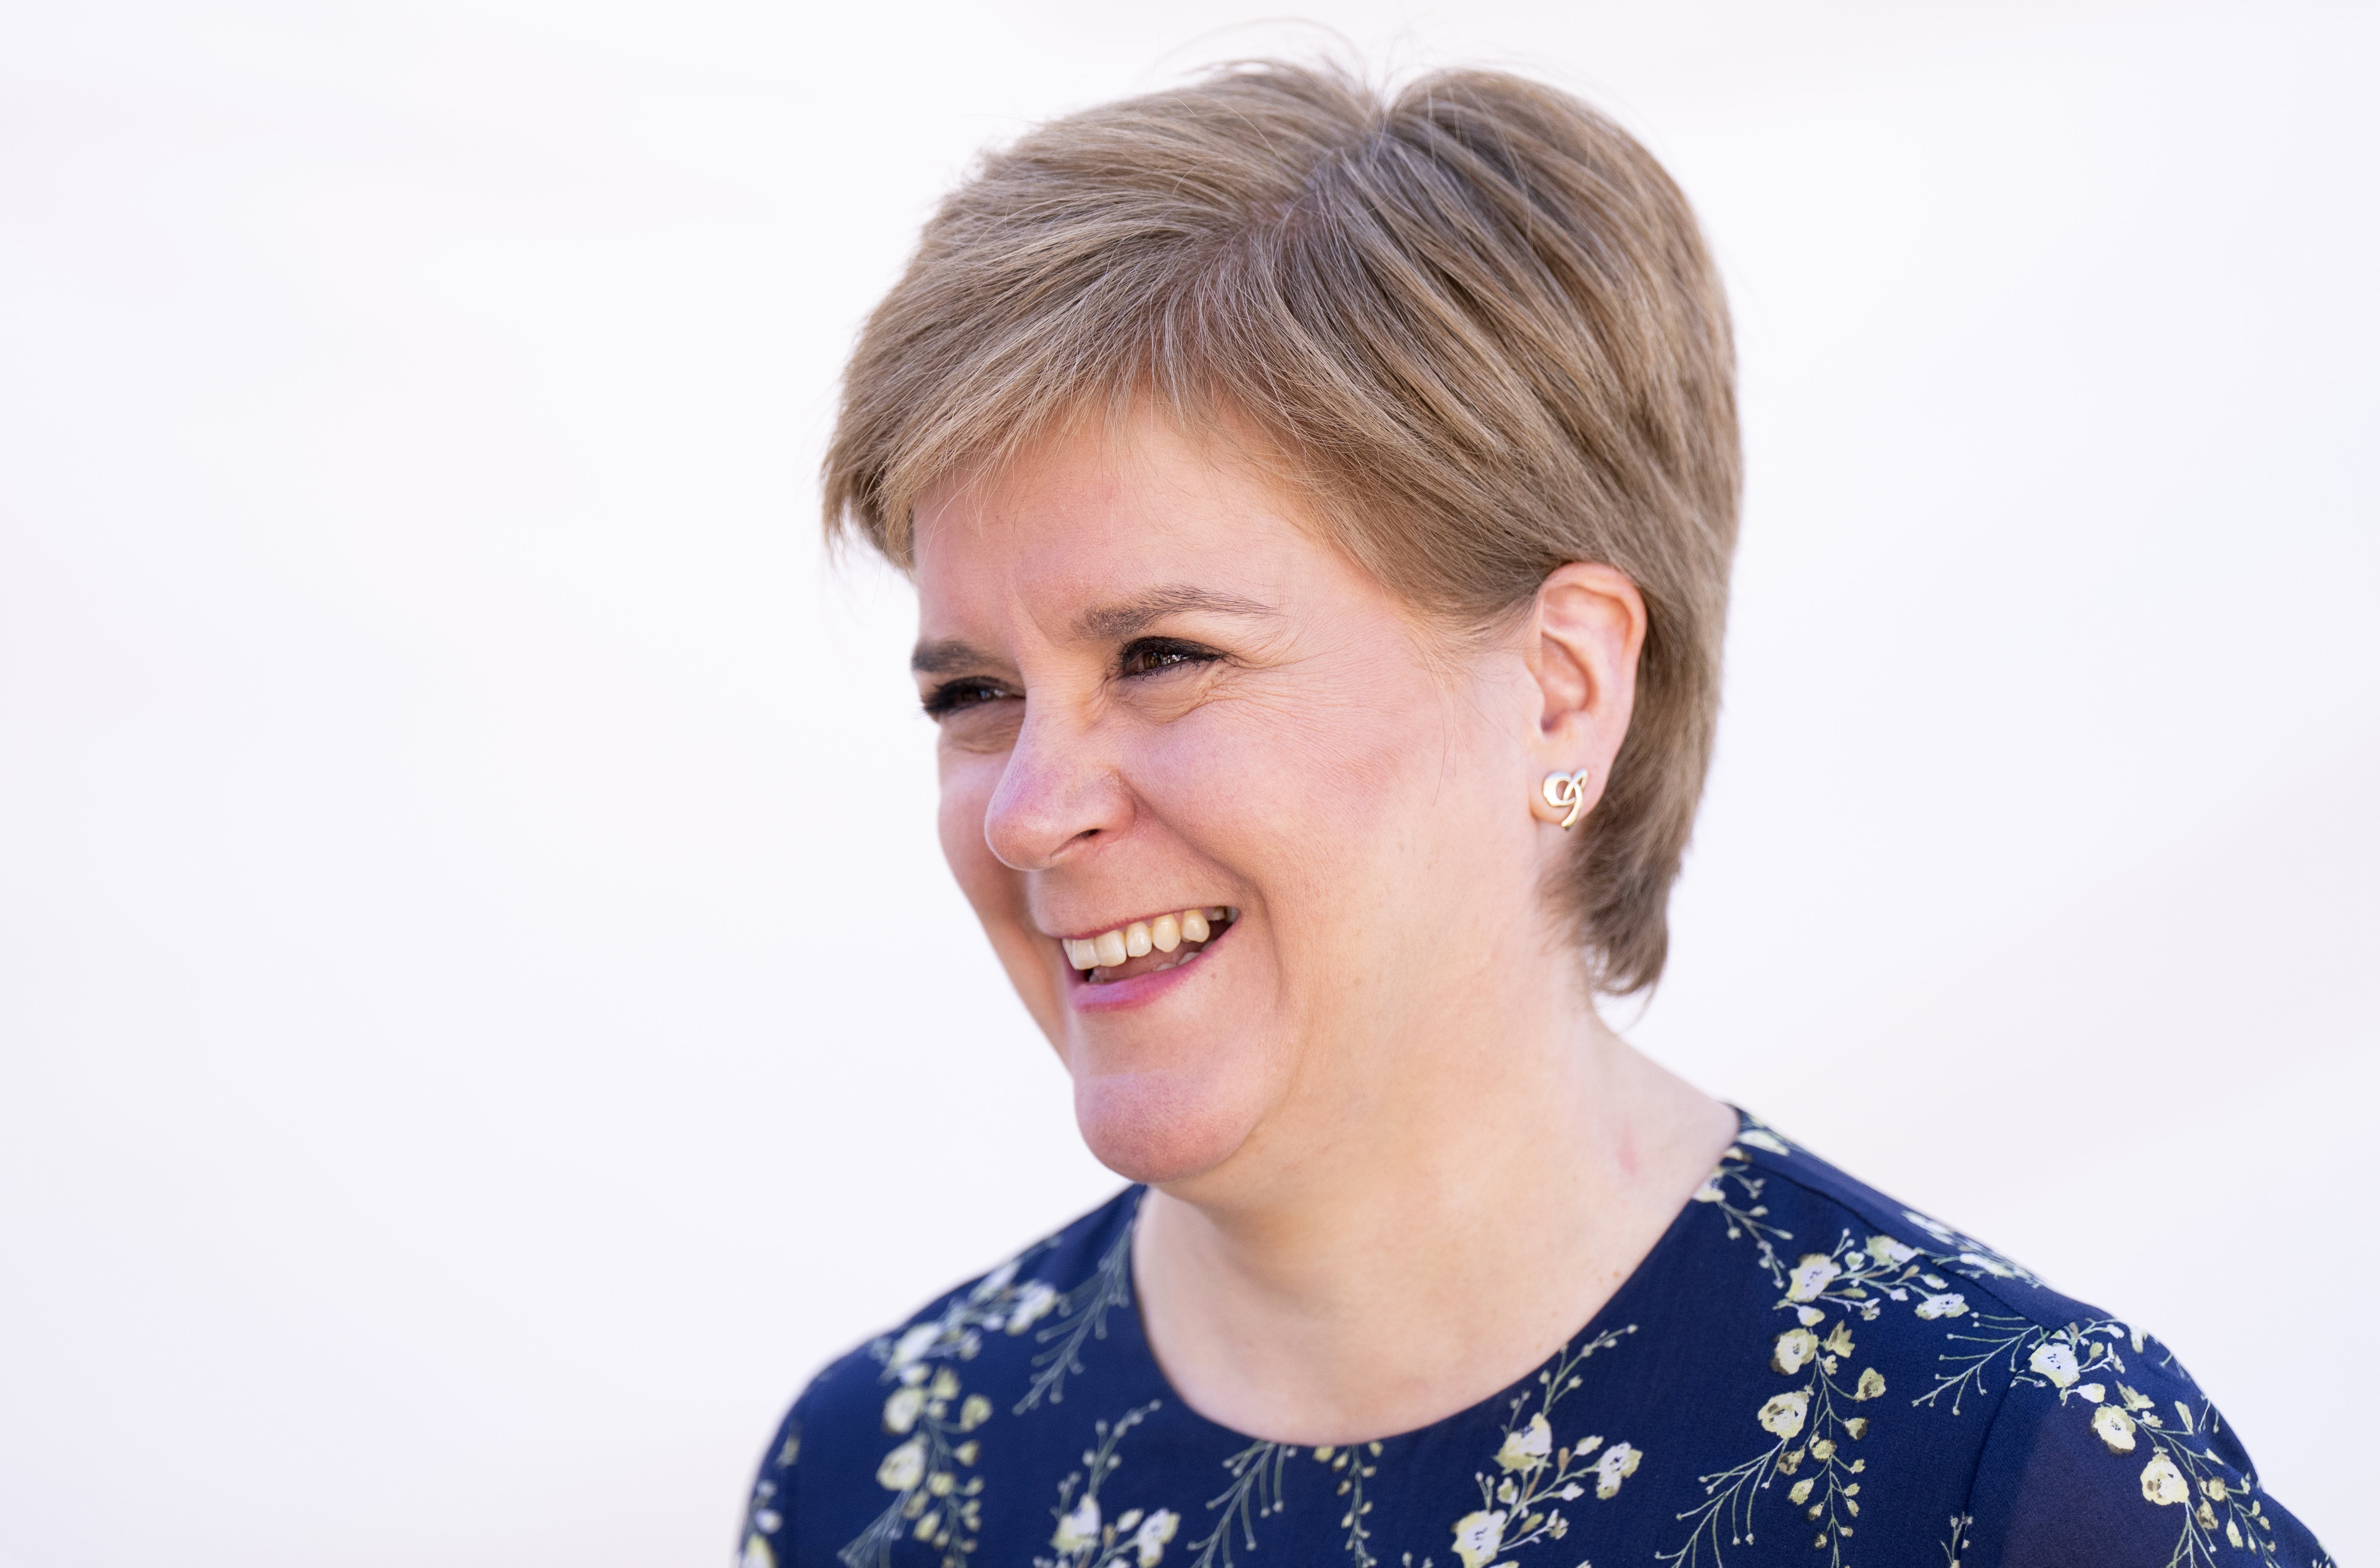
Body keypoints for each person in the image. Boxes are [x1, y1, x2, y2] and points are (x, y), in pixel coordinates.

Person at [741, 61, 2327, 1568]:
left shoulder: (1990, 1480)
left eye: (1162, 657)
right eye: (971, 695)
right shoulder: (888, 1479)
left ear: (1561, 690)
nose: (1028, 811)